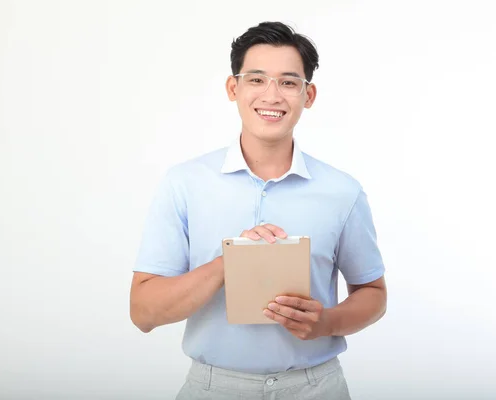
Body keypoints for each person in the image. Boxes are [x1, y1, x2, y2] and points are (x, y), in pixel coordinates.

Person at [130, 21, 387, 400]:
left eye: (288, 82)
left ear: (308, 94)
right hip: (213, 388)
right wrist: (229, 262)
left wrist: (326, 322)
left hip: (317, 388)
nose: (272, 95)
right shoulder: (184, 183)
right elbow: (143, 313)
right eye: (256, 80)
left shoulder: (342, 192)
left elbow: (373, 292)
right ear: (233, 89)